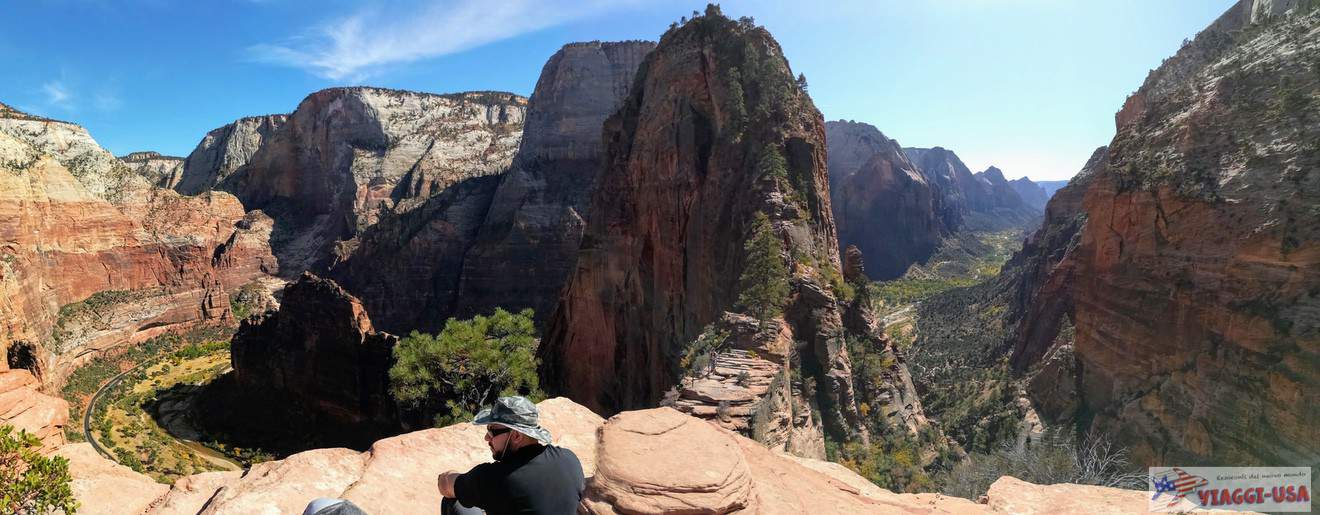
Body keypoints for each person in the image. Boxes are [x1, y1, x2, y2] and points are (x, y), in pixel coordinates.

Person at [437, 396, 585, 515]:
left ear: (516, 436)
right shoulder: (569, 459)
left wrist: (458, 478)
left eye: (492, 431)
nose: (487, 438)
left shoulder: (493, 477)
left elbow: (444, 485)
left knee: (453, 501)